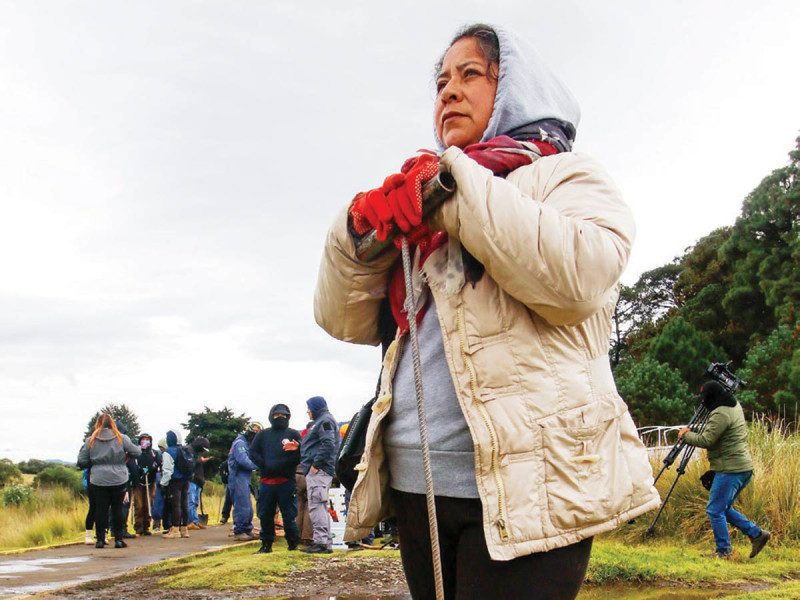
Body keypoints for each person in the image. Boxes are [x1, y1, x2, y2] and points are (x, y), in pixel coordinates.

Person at [314, 23, 660, 599]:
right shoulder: (426, 196)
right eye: (441, 81)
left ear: (516, 90)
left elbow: (580, 278)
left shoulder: (563, 176)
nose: (448, 91)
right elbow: (341, 318)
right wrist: (358, 229)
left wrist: (450, 188)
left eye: (471, 74)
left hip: (533, 481)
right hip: (418, 479)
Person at [679, 380, 770, 559]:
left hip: (731, 469)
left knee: (714, 510)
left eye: (704, 397)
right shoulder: (733, 405)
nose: (703, 402)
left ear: (711, 396)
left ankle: (724, 552)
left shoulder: (721, 413)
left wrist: (686, 435)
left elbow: (707, 440)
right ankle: (757, 535)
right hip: (742, 468)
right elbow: (716, 434)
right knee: (723, 507)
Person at [77, 414, 142, 549]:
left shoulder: (90, 440)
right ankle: (118, 539)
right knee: (118, 508)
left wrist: (94, 463)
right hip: (119, 477)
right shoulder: (121, 438)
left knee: (101, 509)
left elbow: (82, 461)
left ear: (98, 424)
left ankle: (100, 539)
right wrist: (125, 456)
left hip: (98, 478)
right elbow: (137, 452)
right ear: (112, 423)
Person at [250, 404, 302, 553]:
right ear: (271, 416)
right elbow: (253, 452)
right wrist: (264, 464)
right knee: (265, 515)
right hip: (266, 481)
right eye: (277, 415)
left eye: (284, 415)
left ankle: (293, 544)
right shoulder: (263, 434)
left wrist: (288, 459)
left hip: (286, 481)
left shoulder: (293, 434)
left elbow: (300, 455)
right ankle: (266, 545)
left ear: (288, 417)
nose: (280, 417)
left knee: (289, 515)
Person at [299, 396, 339, 554]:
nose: (307, 411)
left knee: (316, 505)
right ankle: (324, 542)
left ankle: (321, 542)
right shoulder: (323, 420)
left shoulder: (324, 421)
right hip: (320, 469)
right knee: (319, 505)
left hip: (319, 470)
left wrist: (316, 464)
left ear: (315, 408)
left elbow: (328, 443)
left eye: (309, 408)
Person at [228, 422, 261, 541]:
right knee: (242, 504)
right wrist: (258, 466)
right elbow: (243, 460)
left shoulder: (246, 443)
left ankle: (247, 528)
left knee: (247, 504)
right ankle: (240, 530)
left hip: (244, 476)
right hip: (238, 475)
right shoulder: (240, 443)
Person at [160, 429, 191, 539]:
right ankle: (184, 529)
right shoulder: (184, 450)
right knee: (184, 504)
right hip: (186, 480)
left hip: (175, 482)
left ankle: (175, 529)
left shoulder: (168, 452)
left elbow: (167, 471)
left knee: (175, 505)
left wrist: (163, 483)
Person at [133, 433, 160, 536]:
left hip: (150, 481)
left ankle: (146, 526)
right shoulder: (136, 452)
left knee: (149, 504)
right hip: (139, 482)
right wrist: (139, 470)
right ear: (140, 441)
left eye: (147, 440)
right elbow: (133, 463)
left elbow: (157, 462)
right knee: (139, 505)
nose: (145, 441)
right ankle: (138, 527)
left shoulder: (154, 453)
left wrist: (151, 468)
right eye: (143, 439)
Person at [187, 436, 211, 530]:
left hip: (198, 480)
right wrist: (199, 461)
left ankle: (195, 521)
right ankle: (191, 521)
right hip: (192, 480)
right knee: (191, 501)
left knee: (195, 502)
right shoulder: (189, 451)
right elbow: (189, 464)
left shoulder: (196, 452)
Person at [151, 438, 167, 532]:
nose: (161, 449)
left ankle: (164, 525)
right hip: (158, 481)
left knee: (164, 504)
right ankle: (156, 525)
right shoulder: (157, 455)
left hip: (164, 481)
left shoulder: (167, 455)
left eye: (162, 447)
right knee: (157, 503)